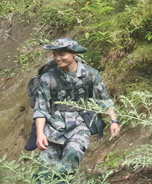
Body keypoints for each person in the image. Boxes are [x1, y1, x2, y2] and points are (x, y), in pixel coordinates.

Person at [33, 38, 120, 184]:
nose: (57, 58)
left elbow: (103, 99)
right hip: (52, 127)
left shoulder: (90, 74)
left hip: (79, 125)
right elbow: (41, 108)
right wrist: (40, 133)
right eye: (54, 54)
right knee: (44, 173)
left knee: (72, 155)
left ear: (73, 54)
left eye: (62, 54)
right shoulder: (47, 78)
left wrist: (114, 120)